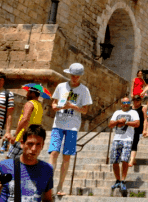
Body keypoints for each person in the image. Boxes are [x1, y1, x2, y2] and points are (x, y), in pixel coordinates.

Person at [0, 124, 53, 202]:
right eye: (30, 144)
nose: (34, 149)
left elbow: (48, 199)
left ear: (42, 146)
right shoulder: (3, 166)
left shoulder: (47, 170)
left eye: (38, 144)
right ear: (22, 144)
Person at [49, 63, 92, 197]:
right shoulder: (61, 86)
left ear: (80, 76)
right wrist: (56, 107)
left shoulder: (84, 90)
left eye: (77, 76)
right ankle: (48, 184)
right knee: (54, 153)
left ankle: (60, 185)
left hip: (72, 126)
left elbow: (85, 110)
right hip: (58, 124)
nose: (74, 78)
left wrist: (73, 106)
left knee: (66, 156)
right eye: (73, 75)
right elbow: (54, 103)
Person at [108, 97, 140, 194]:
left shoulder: (133, 112)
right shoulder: (116, 113)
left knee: (124, 160)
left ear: (130, 103)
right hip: (116, 139)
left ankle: (123, 180)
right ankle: (117, 180)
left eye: (127, 102)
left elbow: (137, 124)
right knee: (114, 161)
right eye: (124, 102)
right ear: (121, 104)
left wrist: (125, 122)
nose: (126, 104)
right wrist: (118, 121)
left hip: (127, 139)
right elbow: (110, 124)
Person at [7, 85, 44, 161]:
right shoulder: (39, 106)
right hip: (32, 138)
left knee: (9, 161)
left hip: (22, 137)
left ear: (32, 93)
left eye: (28, 92)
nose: (26, 94)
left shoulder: (29, 104)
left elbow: (25, 119)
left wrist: (15, 134)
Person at [128, 95, 145, 167]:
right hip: (129, 129)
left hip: (138, 129)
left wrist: (145, 129)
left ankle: (131, 161)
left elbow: (145, 120)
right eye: (134, 100)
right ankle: (133, 159)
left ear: (140, 101)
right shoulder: (129, 108)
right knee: (129, 144)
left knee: (134, 144)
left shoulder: (143, 108)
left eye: (137, 100)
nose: (135, 102)